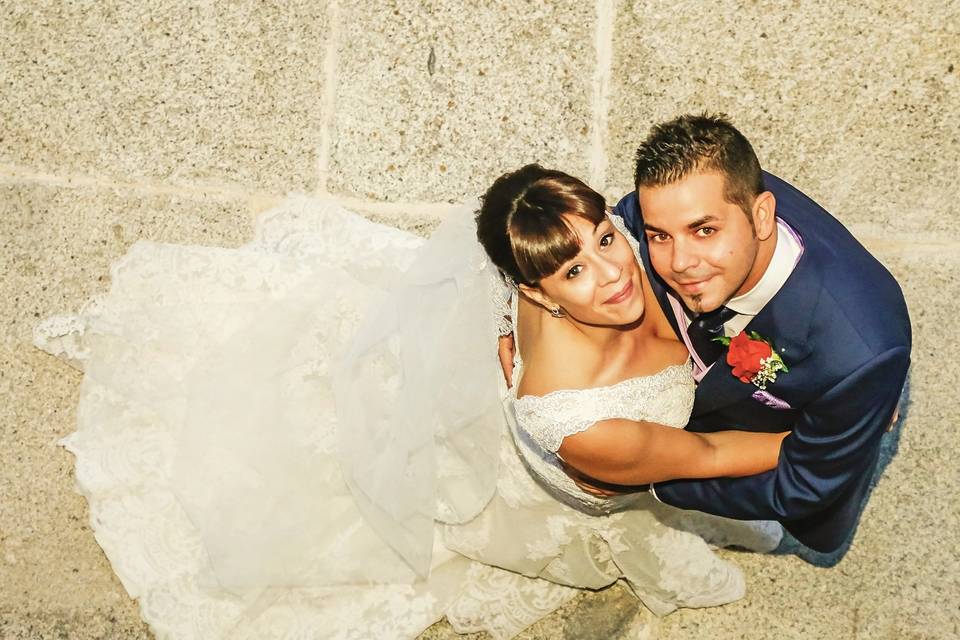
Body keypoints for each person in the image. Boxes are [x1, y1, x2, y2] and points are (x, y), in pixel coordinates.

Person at [35, 168, 783, 640]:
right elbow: (711, 455)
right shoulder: (585, 424)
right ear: (537, 293)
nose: (615, 275)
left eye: (605, 240)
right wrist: (829, 433)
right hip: (604, 474)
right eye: (575, 271)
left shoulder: (618, 261)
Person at [503, 113, 910, 555]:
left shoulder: (856, 355)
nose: (679, 263)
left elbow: (803, 484)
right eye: (659, 236)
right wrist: (516, 318)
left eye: (705, 231)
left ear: (761, 216)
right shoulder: (678, 199)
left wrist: (650, 481)